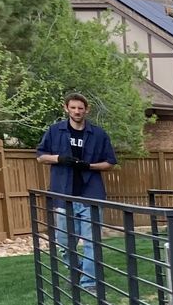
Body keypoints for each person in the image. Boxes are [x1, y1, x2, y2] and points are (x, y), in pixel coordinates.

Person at [36, 93, 116, 293]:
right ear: (66, 109)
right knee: (64, 242)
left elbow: (110, 163)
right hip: (64, 196)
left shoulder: (98, 134)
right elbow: (40, 156)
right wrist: (60, 159)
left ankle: (89, 283)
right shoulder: (55, 131)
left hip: (91, 194)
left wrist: (89, 166)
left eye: (81, 108)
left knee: (91, 242)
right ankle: (79, 270)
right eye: (73, 108)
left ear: (86, 110)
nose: (77, 111)